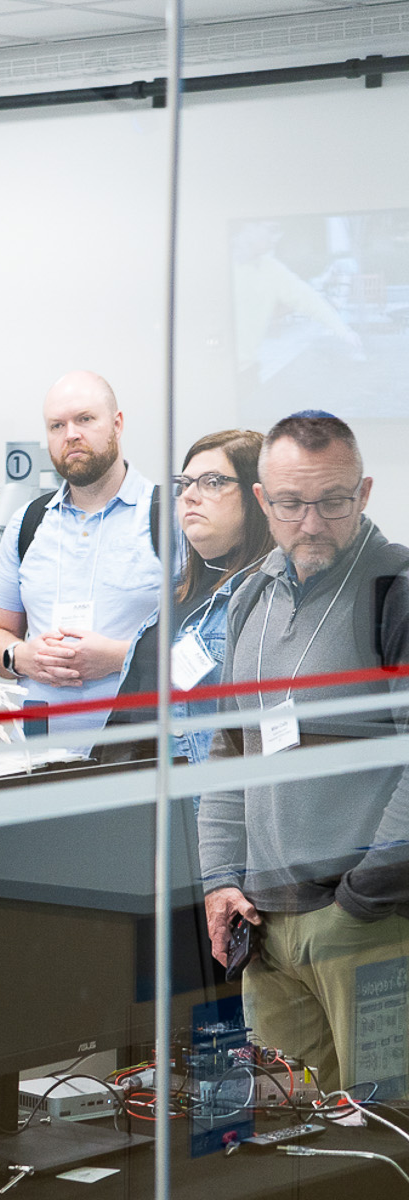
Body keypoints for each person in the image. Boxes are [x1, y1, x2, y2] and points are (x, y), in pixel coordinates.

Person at [199, 410, 409, 1096]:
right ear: (263, 501)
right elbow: (230, 749)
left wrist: (360, 898)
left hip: (366, 926)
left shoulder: (395, 591)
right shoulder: (250, 596)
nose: (312, 523)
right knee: (287, 1150)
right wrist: (219, 877)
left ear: (365, 492)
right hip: (266, 929)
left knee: (385, 1139)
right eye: (291, 503)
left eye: (333, 501)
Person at [0, 371, 167, 738]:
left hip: (138, 754)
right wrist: (20, 656)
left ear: (117, 424)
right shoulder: (28, 522)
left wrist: (117, 657)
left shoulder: (168, 518)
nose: (71, 434)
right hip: (39, 755)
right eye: (56, 426)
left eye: (85, 419)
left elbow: (205, 647)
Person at [101, 429, 273, 764]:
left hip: (202, 804)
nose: (190, 496)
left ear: (258, 497)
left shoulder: (268, 601)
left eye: (212, 482)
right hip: (137, 796)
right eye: (185, 483)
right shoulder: (180, 591)